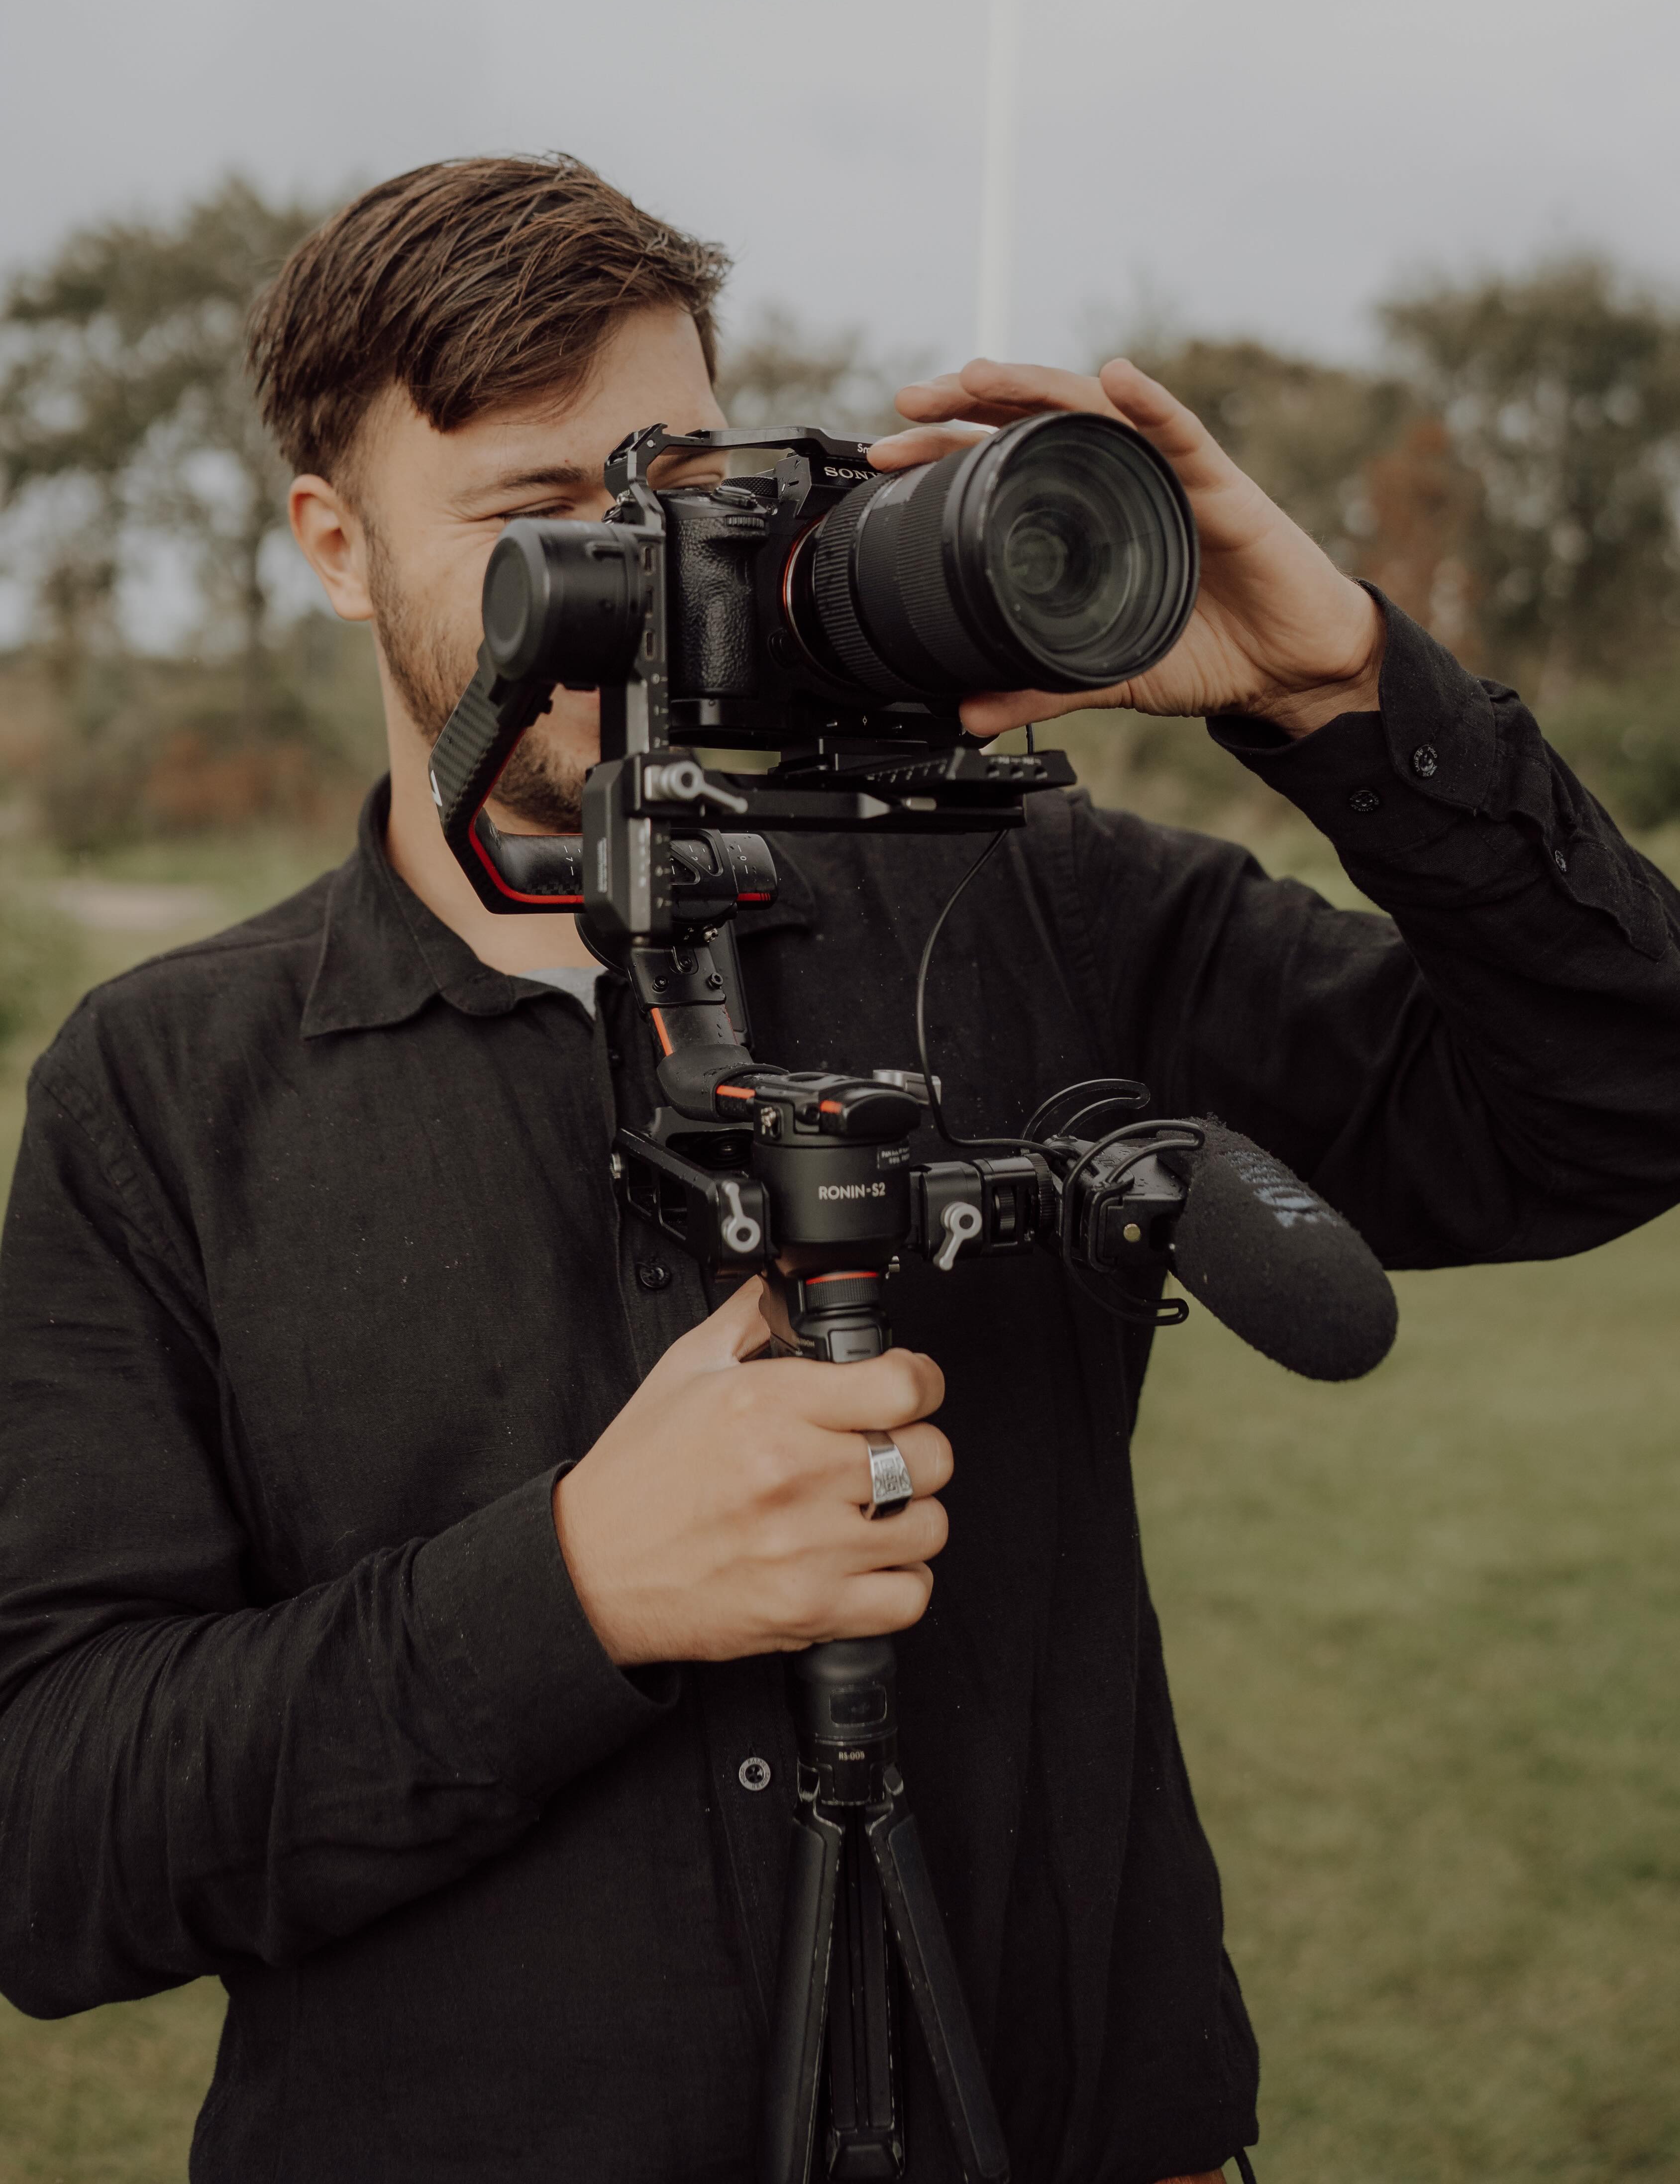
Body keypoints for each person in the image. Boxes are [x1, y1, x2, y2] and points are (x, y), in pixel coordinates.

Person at [0, 153, 1674, 2184]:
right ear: (336, 546)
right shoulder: (164, 1088)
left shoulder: (1030, 899)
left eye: (674, 484)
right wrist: (576, 1589)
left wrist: (1341, 689)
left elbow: (1610, 1096)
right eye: (539, 519)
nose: (638, 570)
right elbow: (56, 1833)